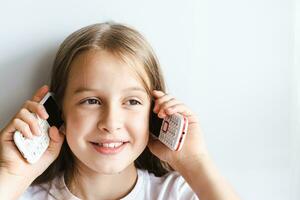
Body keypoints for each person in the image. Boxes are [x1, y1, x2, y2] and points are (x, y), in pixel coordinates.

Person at [0, 22, 240, 200]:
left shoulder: (179, 193)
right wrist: (11, 176)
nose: (111, 123)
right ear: (58, 111)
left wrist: (195, 162)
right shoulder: (19, 193)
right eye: (91, 101)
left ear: (155, 114)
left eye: (132, 102)